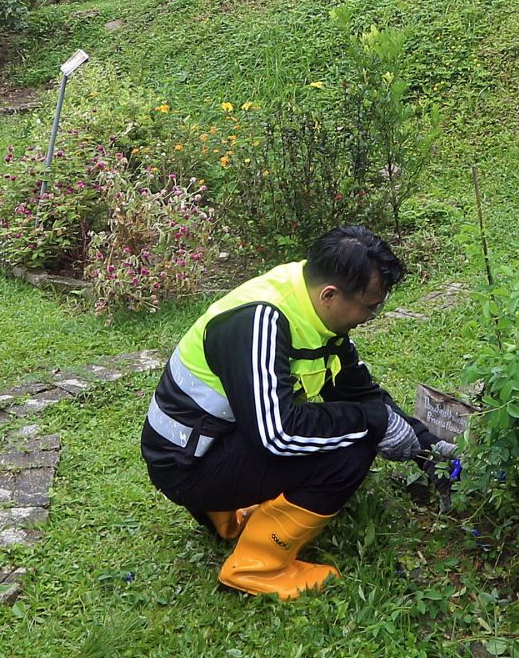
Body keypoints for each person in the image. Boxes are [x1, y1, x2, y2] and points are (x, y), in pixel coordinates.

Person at [140, 226, 434, 600]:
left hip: (213, 442)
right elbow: (276, 435)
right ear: (331, 295)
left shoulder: (312, 308)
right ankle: (255, 568)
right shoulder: (259, 321)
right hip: (185, 467)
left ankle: (225, 515)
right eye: (370, 307)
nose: (370, 316)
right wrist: (371, 425)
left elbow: (359, 392)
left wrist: (423, 442)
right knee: (350, 452)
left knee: (354, 427)